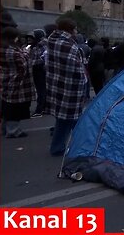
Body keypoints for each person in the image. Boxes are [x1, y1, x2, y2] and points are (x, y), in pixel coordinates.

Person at [46, 18, 87, 156]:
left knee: (63, 119)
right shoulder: (69, 45)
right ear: (70, 29)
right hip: (70, 88)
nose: (76, 32)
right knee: (73, 120)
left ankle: (59, 147)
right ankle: (80, 147)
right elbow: (76, 69)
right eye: (75, 29)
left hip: (57, 85)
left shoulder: (52, 40)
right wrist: (84, 81)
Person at [0, 27, 35, 138]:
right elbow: (22, 65)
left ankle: (5, 128)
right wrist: (26, 53)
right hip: (16, 83)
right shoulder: (11, 51)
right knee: (14, 108)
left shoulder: (2, 48)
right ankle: (13, 131)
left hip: (5, 80)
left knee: (7, 106)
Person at [29, 28, 48, 118]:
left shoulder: (41, 46)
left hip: (39, 69)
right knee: (42, 89)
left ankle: (39, 110)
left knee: (41, 90)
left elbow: (41, 58)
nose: (29, 39)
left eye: (32, 37)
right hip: (38, 69)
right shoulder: (37, 45)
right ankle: (44, 107)